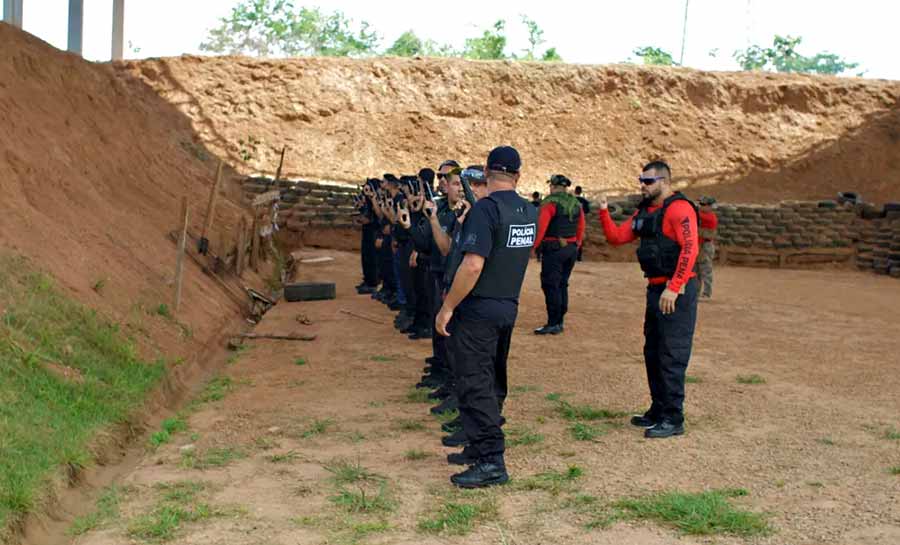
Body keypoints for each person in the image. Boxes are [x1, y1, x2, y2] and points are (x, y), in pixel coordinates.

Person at [436, 146, 537, 488]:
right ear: (518, 176)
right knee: (492, 379)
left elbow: (473, 264)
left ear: (487, 172)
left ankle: (491, 460)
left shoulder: (486, 210)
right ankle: (478, 447)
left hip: (479, 308)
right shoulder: (528, 211)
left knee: (474, 381)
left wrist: (448, 305)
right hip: (507, 304)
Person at [597, 160, 699, 439]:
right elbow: (617, 237)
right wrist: (604, 211)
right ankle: (658, 408)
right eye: (641, 180)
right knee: (653, 352)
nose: (642, 185)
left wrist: (675, 286)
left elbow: (690, 249)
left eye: (648, 181)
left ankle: (673, 417)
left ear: (665, 182)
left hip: (675, 292)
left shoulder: (679, 209)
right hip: (656, 289)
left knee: (672, 354)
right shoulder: (647, 212)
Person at [533, 174, 585, 334]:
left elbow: (541, 228)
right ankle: (560, 320)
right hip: (570, 248)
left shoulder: (550, 203)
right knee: (562, 284)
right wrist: (577, 244)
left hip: (554, 248)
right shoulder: (576, 203)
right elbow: (581, 226)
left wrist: (534, 247)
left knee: (550, 284)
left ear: (553, 186)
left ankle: (553, 322)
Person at [355, 179, 380, 294]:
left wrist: (367, 220)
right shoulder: (368, 200)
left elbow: (376, 216)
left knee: (372, 258)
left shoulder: (376, 199)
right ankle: (368, 280)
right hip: (367, 231)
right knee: (366, 257)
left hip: (374, 232)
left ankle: (373, 282)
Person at [697, 196, 719, 299]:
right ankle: (696, 293)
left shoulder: (710, 217)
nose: (700, 206)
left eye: (703, 205)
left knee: (705, 270)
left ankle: (706, 293)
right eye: (700, 204)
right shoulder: (701, 214)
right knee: (697, 271)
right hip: (699, 245)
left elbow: (707, 234)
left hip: (705, 246)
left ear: (710, 206)